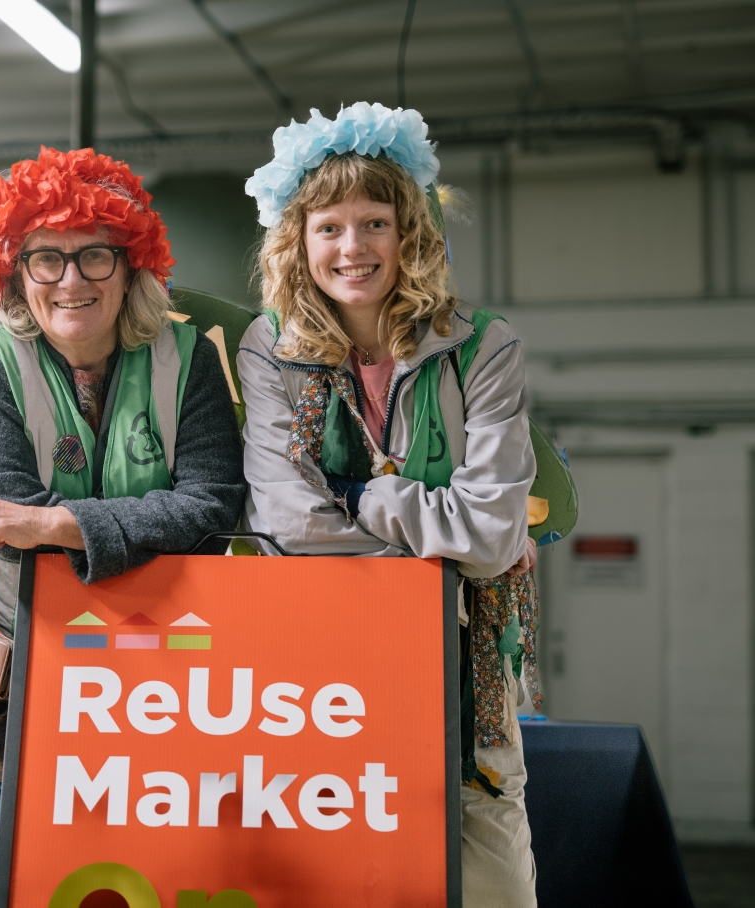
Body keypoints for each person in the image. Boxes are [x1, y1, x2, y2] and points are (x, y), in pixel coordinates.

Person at [237, 104, 541, 907]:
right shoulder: (270, 348)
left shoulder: (484, 346)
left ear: (411, 234)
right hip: (323, 662)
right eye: (329, 226)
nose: (353, 248)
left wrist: (359, 492)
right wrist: (426, 544)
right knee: (341, 865)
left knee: (493, 875)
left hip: (467, 659)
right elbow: (288, 524)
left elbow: (490, 532)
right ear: (297, 241)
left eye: (375, 222)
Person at [0, 147, 247, 907]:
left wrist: (57, 521)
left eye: (94, 255)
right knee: (30, 883)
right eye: (46, 259)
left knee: (157, 878)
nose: (71, 281)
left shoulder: (187, 361)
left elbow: (216, 505)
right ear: (12, 271)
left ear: (131, 262)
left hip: (166, 677)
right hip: (12, 675)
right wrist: (115, 523)